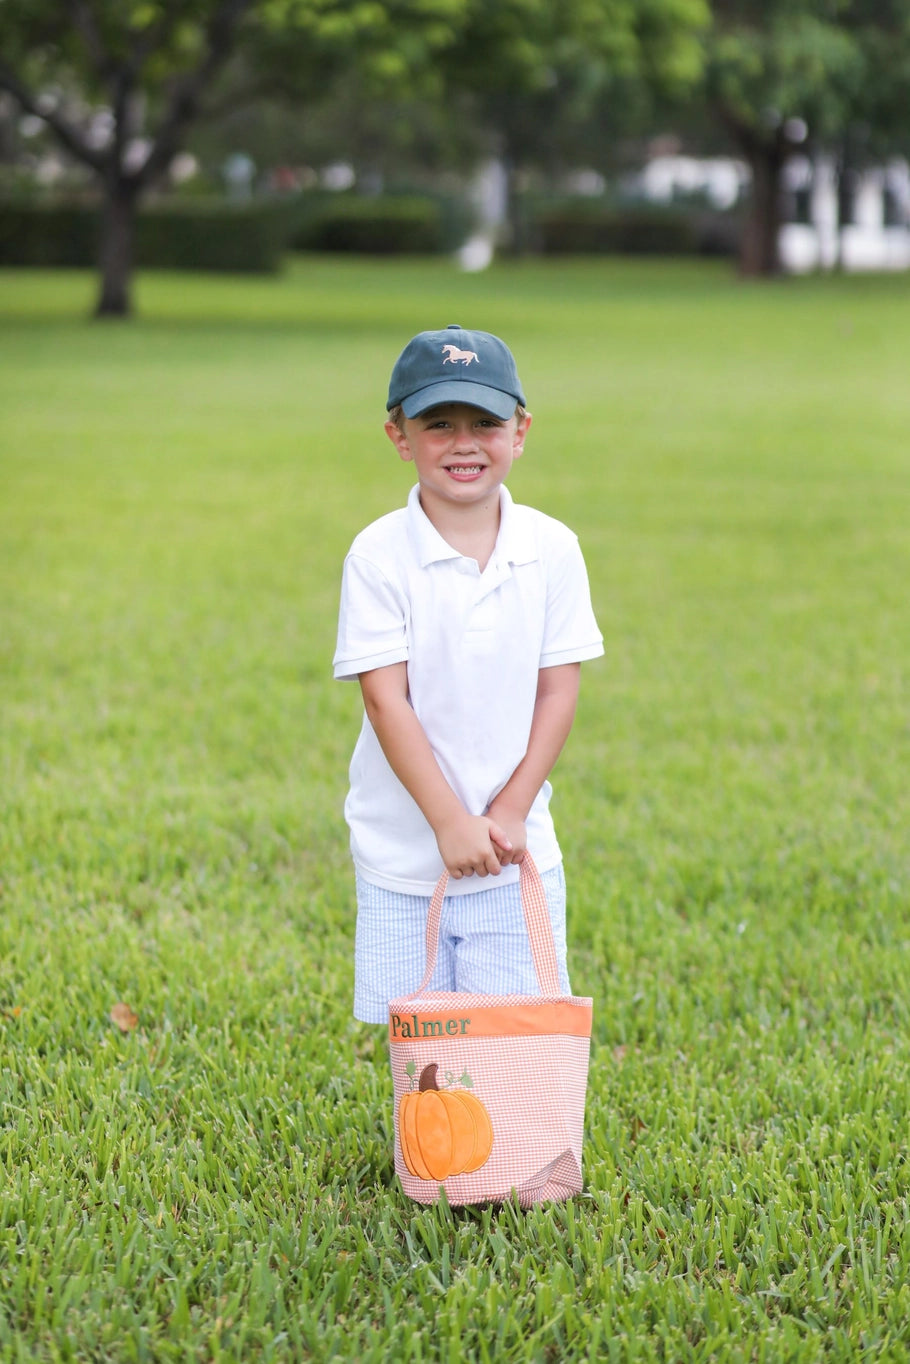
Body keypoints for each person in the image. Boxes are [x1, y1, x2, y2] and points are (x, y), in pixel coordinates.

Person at [333, 324, 603, 1024]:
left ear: (521, 430)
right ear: (399, 434)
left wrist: (509, 809)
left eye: (485, 422)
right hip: (404, 852)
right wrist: (449, 822)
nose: (464, 442)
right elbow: (385, 701)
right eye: (438, 423)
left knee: (514, 1028)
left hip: (516, 854)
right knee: (421, 1037)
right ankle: (424, 1141)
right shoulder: (378, 555)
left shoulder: (552, 548)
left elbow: (558, 689)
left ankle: (519, 1141)